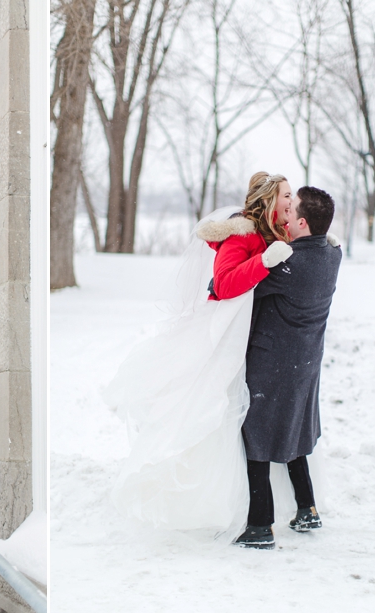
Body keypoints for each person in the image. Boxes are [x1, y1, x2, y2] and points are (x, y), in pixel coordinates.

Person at [105, 172, 295, 542]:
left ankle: (244, 507)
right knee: (210, 413)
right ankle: (196, 501)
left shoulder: (278, 234)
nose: (293, 201)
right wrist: (264, 263)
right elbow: (224, 286)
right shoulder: (241, 236)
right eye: (287, 195)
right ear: (271, 200)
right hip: (223, 340)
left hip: (252, 343)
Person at [234, 186, 342, 549]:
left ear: (301, 222)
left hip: (271, 363)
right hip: (307, 362)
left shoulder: (288, 263)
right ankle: (306, 507)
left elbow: (235, 288)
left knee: (257, 441)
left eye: (291, 208)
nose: (286, 212)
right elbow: (328, 246)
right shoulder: (333, 255)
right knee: (294, 432)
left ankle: (260, 526)